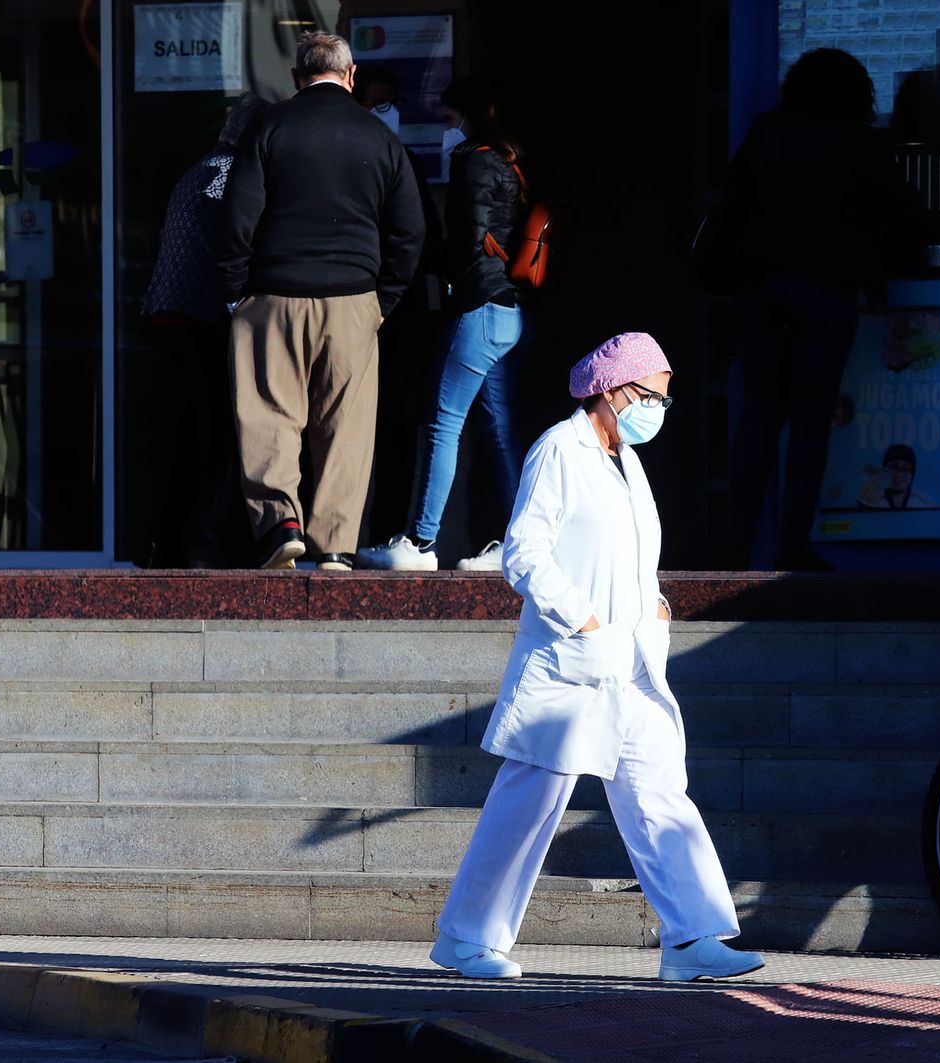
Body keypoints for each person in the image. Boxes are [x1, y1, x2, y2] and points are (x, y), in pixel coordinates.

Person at [431, 333, 763, 983]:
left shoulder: (626, 462)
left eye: (665, 399)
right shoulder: (560, 449)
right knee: (529, 802)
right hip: (572, 663)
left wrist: (655, 605)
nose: (659, 410)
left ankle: (693, 938)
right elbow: (525, 552)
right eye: (653, 396)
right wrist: (582, 619)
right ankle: (465, 938)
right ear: (613, 390)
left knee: (659, 793)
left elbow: (630, 554)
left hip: (631, 662)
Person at [213, 31, 425, 570]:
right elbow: (410, 230)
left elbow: (236, 218)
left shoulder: (269, 128)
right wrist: (384, 300)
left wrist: (236, 294)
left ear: (296, 77)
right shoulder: (379, 138)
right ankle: (334, 545)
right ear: (351, 76)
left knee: (268, 414)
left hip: (273, 296)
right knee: (346, 426)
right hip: (353, 299)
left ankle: (280, 524)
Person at [723, 48, 902, 571]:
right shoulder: (861, 142)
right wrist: (876, 284)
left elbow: (734, 204)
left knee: (759, 417)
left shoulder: (768, 132)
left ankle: (736, 548)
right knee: (809, 425)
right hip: (827, 292)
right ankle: (793, 546)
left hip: (762, 291)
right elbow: (889, 219)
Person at [360, 79, 527, 573]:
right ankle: (520, 544)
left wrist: (444, 274)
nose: (445, 130)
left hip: (478, 308)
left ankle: (420, 542)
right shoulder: (508, 164)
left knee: (443, 422)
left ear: (469, 119)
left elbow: (468, 241)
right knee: (500, 433)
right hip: (506, 310)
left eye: (449, 120)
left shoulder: (474, 162)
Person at [141, 94, 265, 568]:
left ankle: (166, 541)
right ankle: (204, 543)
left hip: (167, 315)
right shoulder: (232, 175)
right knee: (210, 437)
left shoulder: (198, 170)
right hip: (202, 318)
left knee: (177, 437)